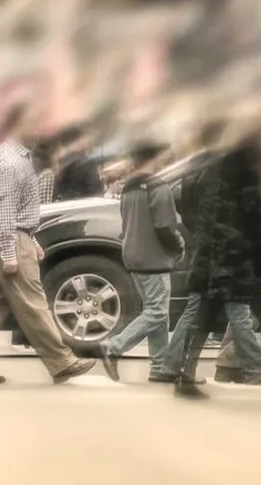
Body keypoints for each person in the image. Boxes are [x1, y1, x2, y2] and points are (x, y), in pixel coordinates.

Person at [0, 104, 99, 386]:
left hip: (6, 236)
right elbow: (5, 209)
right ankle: (62, 361)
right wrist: (12, 252)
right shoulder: (11, 161)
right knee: (34, 303)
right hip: (8, 237)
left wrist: (29, 239)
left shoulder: (11, 157)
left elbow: (10, 208)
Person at [170, 110, 261, 396]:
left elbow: (187, 207)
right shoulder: (247, 161)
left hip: (216, 250)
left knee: (207, 312)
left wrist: (204, 236)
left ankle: (186, 376)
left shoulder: (207, 164)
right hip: (242, 252)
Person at [96, 140, 182, 381]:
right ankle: (113, 347)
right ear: (155, 158)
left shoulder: (129, 188)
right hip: (153, 256)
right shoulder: (157, 187)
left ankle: (160, 367)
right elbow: (166, 226)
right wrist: (178, 246)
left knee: (157, 312)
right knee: (157, 311)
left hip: (132, 255)